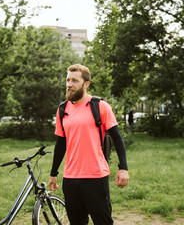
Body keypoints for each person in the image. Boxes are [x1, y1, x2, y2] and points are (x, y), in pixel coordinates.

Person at [48, 64, 129, 225]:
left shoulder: (100, 106)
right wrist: (53, 173)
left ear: (86, 84)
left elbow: (117, 138)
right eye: (68, 80)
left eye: (74, 81)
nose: (69, 84)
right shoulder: (62, 109)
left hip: (95, 177)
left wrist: (123, 168)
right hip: (70, 179)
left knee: (103, 222)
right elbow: (61, 144)